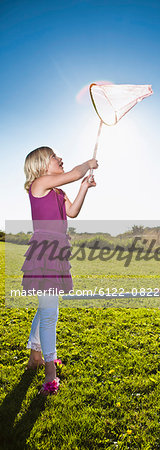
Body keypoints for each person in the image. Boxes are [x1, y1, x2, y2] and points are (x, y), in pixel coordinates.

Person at [22, 146, 98, 394]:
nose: (60, 158)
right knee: (50, 314)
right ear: (43, 165)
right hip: (45, 253)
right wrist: (87, 163)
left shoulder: (58, 191)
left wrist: (84, 187)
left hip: (57, 252)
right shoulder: (40, 183)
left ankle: (35, 355)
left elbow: (73, 212)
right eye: (55, 157)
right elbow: (75, 172)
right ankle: (50, 374)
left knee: (45, 307)